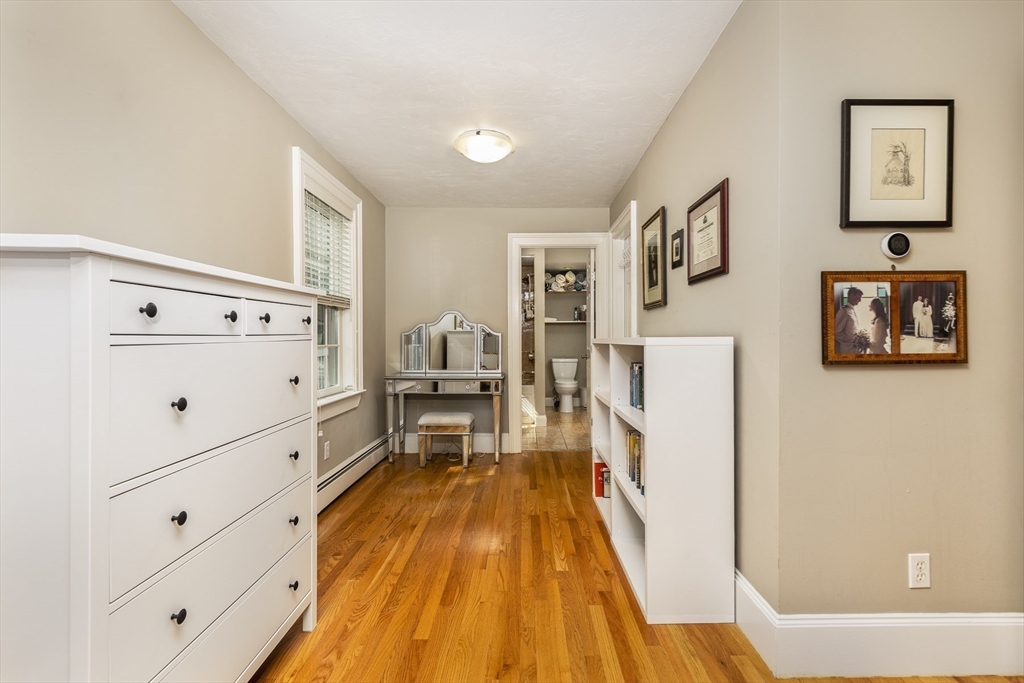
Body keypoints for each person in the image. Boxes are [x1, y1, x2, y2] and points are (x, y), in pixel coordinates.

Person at [834, 286, 862, 353]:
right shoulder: (843, 311)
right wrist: (851, 341)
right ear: (851, 295)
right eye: (858, 297)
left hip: (855, 348)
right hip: (847, 349)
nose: (860, 300)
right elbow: (836, 332)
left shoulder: (852, 310)